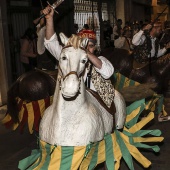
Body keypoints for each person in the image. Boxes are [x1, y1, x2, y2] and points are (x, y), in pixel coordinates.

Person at [42, 5, 115, 108]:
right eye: (84, 45)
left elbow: (108, 72)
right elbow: (50, 42)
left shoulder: (100, 60)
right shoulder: (68, 57)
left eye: (91, 46)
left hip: (94, 106)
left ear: (95, 48)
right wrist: (49, 19)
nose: (88, 48)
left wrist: (86, 52)